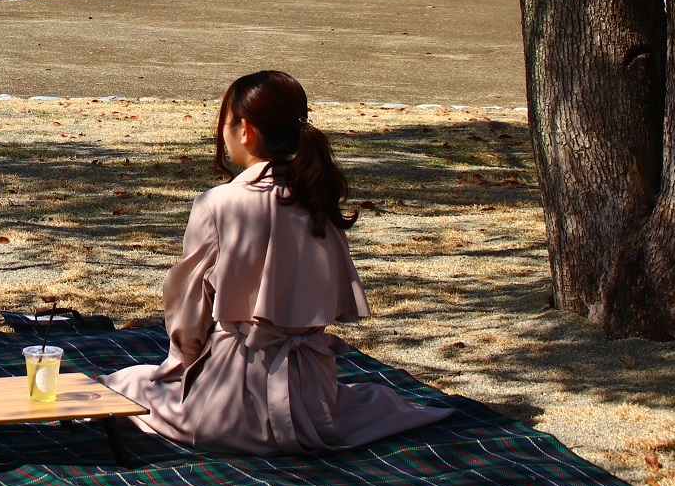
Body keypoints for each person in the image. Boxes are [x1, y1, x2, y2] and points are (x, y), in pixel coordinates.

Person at [102, 70, 452, 454]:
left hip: (230, 397)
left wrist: (182, 363)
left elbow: (188, 312)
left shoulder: (218, 204)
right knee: (374, 403)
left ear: (246, 130)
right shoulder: (316, 196)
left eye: (226, 121)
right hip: (312, 390)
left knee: (122, 386)